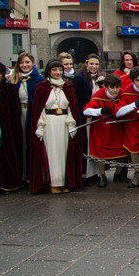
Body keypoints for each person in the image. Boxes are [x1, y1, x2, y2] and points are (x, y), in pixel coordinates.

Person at [30, 59, 82, 194]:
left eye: (60, 70)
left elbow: (72, 108)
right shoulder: (42, 88)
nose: (58, 72)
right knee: (52, 152)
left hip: (64, 122)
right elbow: (40, 109)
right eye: (54, 70)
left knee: (64, 152)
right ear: (49, 71)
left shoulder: (68, 87)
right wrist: (40, 126)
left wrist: (72, 124)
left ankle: (64, 182)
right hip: (49, 123)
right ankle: (53, 182)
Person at [83, 73, 127, 188]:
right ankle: (102, 175)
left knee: (123, 149)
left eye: (117, 87)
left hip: (117, 128)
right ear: (106, 87)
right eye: (112, 87)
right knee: (100, 152)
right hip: (102, 128)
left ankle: (118, 173)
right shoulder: (99, 95)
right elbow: (86, 111)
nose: (115, 90)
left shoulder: (122, 94)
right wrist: (100, 111)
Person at [9, 52, 44, 186]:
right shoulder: (13, 79)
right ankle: (20, 176)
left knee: (31, 145)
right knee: (19, 144)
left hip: (32, 114)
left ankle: (31, 176)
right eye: (22, 63)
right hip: (17, 115)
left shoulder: (38, 79)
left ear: (32, 63)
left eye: (27, 62)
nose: (25, 65)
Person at [59, 51, 92, 185]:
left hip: (77, 115)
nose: (68, 66)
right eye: (65, 64)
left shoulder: (78, 77)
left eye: (70, 64)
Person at [0, 61, 23, 194]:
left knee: (1, 154)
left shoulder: (9, 90)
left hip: (2, 126)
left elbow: (15, 112)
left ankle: (4, 183)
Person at [116, 68, 139, 188]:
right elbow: (118, 112)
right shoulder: (127, 92)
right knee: (134, 146)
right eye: (138, 81)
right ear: (132, 81)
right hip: (134, 124)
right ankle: (137, 172)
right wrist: (134, 105)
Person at [78, 54, 106, 184]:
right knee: (86, 143)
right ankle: (85, 173)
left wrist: (102, 85)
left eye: (96, 64)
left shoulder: (98, 79)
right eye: (91, 64)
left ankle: (95, 172)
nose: (94, 67)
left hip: (97, 115)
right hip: (86, 116)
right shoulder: (81, 79)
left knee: (95, 144)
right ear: (86, 64)